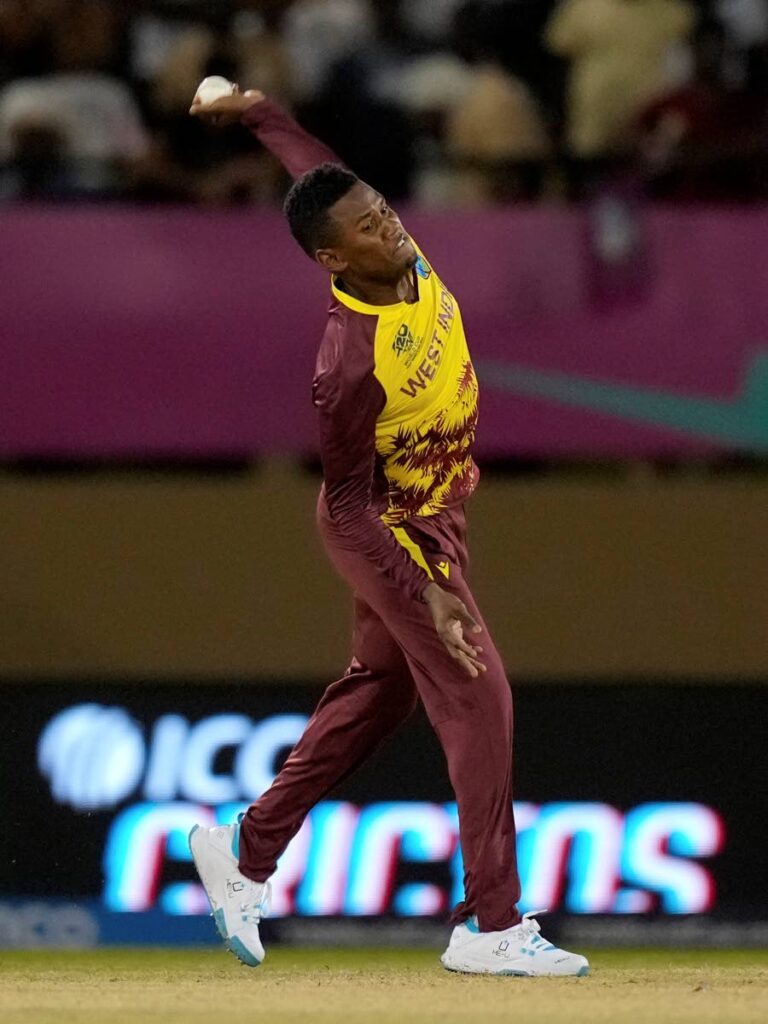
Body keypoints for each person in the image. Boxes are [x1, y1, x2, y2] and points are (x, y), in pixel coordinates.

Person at [186, 83, 589, 978]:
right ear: (333, 261)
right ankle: (490, 923)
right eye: (366, 228)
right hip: (389, 528)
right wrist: (430, 593)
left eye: (384, 210)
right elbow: (346, 505)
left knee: (381, 696)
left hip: (438, 512)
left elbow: (311, 166)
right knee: (480, 699)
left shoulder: (389, 243)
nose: (390, 227)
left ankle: (246, 853)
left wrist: (253, 109)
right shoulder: (349, 363)